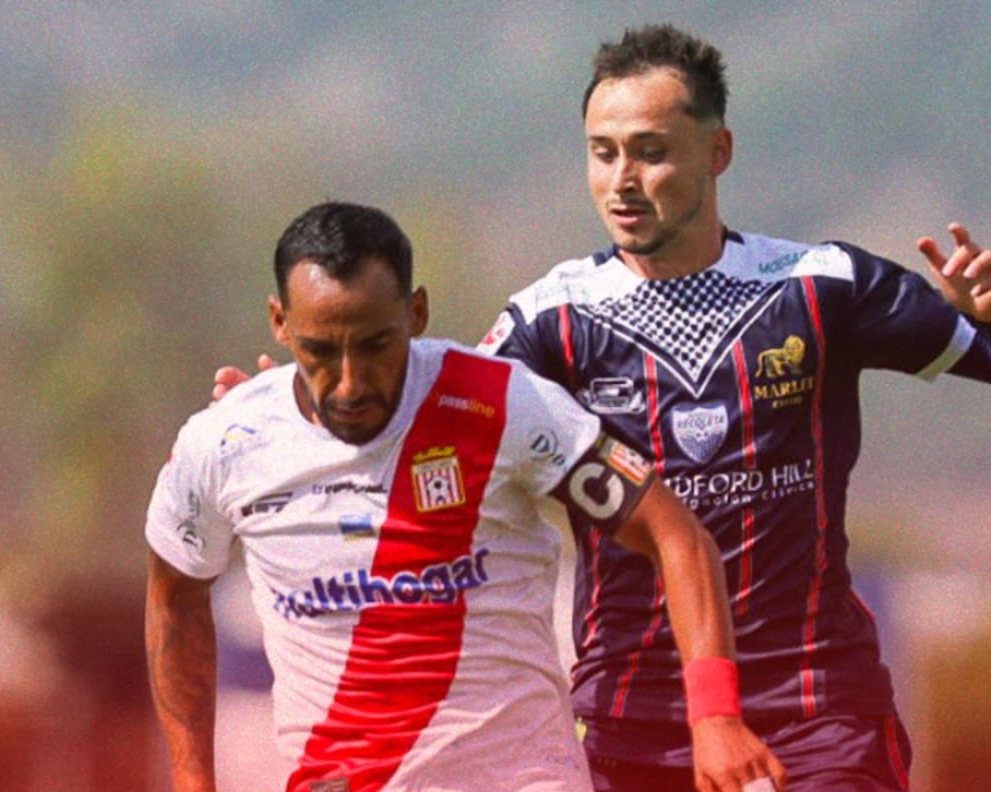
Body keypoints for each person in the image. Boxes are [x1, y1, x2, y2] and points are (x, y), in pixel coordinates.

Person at [214, 26, 991, 792]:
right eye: (603, 152)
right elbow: (414, 443)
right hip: (631, 719)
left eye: (651, 152)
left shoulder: (819, 286)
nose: (622, 180)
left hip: (816, 710)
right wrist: (301, 412)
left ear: (718, 151)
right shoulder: (548, 321)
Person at [148, 201, 781, 792]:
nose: (348, 382)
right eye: (320, 350)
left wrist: (716, 715)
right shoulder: (225, 444)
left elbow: (676, 533)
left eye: (374, 345)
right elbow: (175, 603)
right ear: (279, 323)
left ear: (416, 314)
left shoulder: (504, 403)